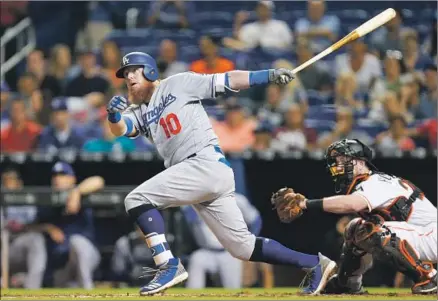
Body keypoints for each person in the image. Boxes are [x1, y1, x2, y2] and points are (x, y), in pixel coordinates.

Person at [106, 51, 336, 295]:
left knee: (136, 199)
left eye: (134, 70)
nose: (129, 76)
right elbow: (121, 129)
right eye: (125, 74)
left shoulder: (178, 83)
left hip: (203, 163)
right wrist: (113, 115)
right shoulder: (141, 109)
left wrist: (266, 76)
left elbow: (226, 80)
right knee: (243, 248)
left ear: (150, 70)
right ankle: (315, 264)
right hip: (199, 173)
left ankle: (167, 265)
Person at [271, 139, 437, 295]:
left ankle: (428, 277)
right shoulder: (371, 182)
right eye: (335, 161)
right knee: (354, 228)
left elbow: (352, 204)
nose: (337, 165)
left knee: (371, 230)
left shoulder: (376, 181)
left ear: (359, 161)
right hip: (421, 235)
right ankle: (348, 283)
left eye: (343, 160)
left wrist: (305, 203)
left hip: (431, 235)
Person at [182, 193, 262, 289]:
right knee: (196, 260)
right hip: (206, 252)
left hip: (230, 253)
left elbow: (255, 220)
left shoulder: (238, 200)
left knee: (233, 290)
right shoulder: (197, 201)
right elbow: (185, 213)